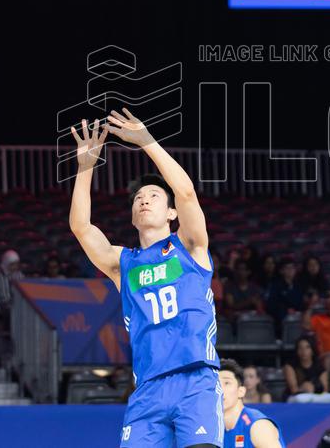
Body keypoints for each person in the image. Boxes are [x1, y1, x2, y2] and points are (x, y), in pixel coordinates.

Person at [69, 111, 222, 448]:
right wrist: (85, 168)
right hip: (148, 389)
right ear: (133, 218)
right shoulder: (123, 263)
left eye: (153, 196)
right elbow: (82, 228)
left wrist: (147, 142)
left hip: (194, 381)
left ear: (171, 213)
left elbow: (186, 194)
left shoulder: (190, 247)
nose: (143, 200)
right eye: (138, 198)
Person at [219, 359, 285, 448]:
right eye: (216, 384)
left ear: (241, 391)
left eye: (226, 383)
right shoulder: (211, 428)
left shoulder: (258, 426)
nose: (220, 390)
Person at [283, 336, 330, 403]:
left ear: (312, 350)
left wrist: (313, 389)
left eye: (307, 347)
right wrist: (303, 389)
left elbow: (325, 389)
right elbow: (294, 390)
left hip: (315, 395)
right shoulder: (290, 366)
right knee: (300, 399)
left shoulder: (319, 367)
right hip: (297, 396)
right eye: (300, 348)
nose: (303, 351)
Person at [266, 257, 305, 331]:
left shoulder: (299, 286)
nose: (290, 270)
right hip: (280, 323)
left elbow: (301, 303)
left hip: (297, 321)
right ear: (281, 271)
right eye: (287, 268)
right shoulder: (275, 286)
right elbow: (270, 305)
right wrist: (286, 310)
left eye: (292, 268)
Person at [0, 249, 24, 317]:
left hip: (16, 305)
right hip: (3, 307)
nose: (15, 267)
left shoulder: (20, 275)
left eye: (16, 264)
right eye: (12, 265)